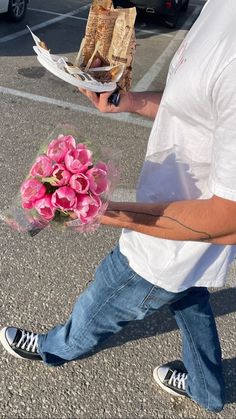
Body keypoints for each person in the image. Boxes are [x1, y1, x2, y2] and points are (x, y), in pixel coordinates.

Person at [1, 0, 236, 412]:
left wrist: (98, 209)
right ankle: (207, 390)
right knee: (185, 295)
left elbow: (227, 218)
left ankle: (56, 348)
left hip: (172, 237)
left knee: (104, 299)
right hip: (178, 233)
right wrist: (130, 101)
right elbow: (202, 110)